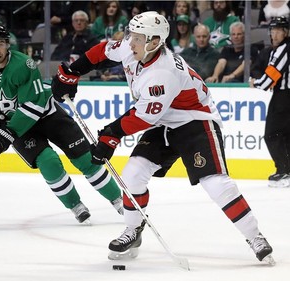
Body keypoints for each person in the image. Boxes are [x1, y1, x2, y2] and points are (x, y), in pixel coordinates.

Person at [51, 11, 274, 263]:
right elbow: (103, 51)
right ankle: (133, 230)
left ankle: (255, 236)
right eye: (131, 36)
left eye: (137, 38)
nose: (130, 42)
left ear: (155, 42)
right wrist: (71, 71)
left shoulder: (162, 73)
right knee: (133, 173)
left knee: (216, 183)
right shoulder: (135, 45)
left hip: (195, 121)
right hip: (164, 120)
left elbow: (143, 117)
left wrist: (110, 136)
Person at [0, 24, 123, 224]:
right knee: (49, 163)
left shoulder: (23, 65)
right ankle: (75, 205)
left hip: (47, 114)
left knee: (85, 159)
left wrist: (7, 133)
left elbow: (34, 104)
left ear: (8, 45)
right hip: (19, 127)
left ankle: (119, 200)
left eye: (1, 44)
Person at [249, 16, 290, 188]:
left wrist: (255, 83)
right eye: (272, 30)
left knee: (272, 134)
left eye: (278, 30)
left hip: (284, 96)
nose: (274, 34)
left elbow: (269, 79)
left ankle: (283, 170)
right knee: (286, 135)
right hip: (284, 95)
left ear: (286, 32)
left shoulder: (284, 49)